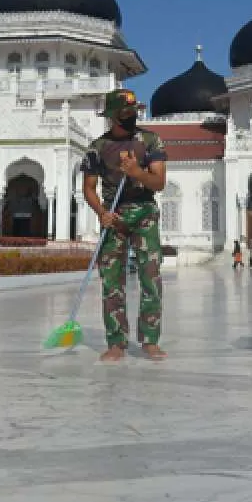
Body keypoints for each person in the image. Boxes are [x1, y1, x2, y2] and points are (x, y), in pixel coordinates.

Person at [81, 89, 169, 363]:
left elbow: (159, 183)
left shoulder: (150, 141)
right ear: (113, 116)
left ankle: (150, 340)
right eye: (126, 114)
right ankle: (116, 341)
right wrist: (101, 212)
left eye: (134, 113)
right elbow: (89, 188)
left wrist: (137, 172)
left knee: (150, 276)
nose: (132, 117)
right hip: (114, 214)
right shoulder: (97, 148)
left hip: (144, 211)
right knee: (112, 279)